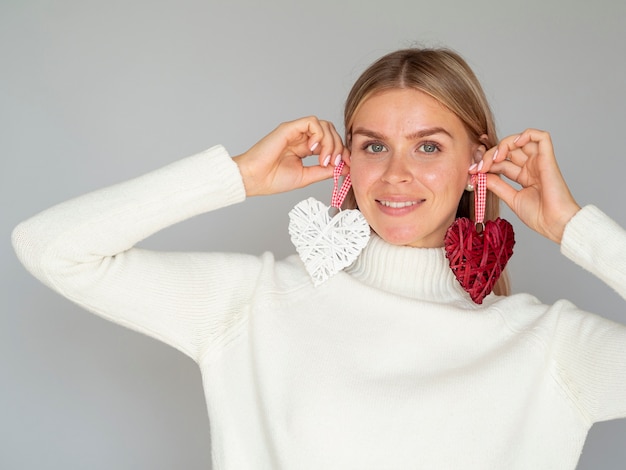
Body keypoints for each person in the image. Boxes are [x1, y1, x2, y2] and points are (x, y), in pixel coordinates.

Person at [12, 47, 626, 469]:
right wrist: (238, 176)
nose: (395, 174)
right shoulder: (252, 304)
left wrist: (574, 227)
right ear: (348, 161)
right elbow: (51, 248)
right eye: (373, 145)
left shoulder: (549, 348)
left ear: (478, 163)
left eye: (428, 146)